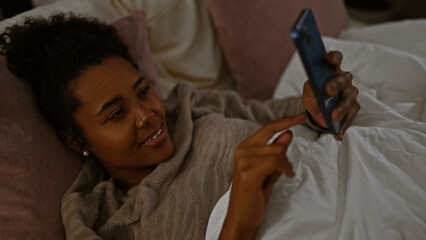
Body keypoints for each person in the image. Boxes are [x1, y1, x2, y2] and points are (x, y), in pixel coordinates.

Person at [0, 13, 360, 239]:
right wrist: (239, 222)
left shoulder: (187, 106)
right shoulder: (97, 220)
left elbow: (272, 111)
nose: (146, 114)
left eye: (143, 91)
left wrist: (320, 103)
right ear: (77, 139)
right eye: (115, 115)